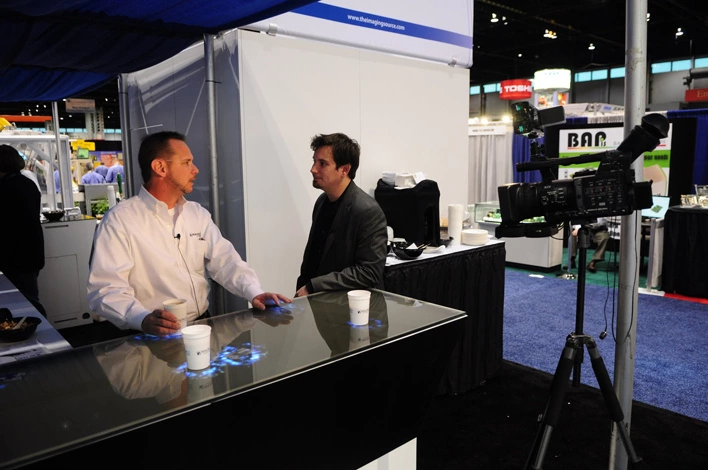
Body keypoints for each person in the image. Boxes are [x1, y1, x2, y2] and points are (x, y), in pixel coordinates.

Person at [87, 131, 290, 336]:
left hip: (201, 326)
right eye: (186, 163)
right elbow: (106, 288)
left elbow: (225, 261)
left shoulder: (196, 213)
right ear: (160, 167)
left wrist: (254, 292)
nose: (195, 170)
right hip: (149, 333)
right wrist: (142, 318)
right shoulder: (120, 220)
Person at [295, 133, 387, 297]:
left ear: (344, 169)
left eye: (322, 164)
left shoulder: (368, 211)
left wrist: (314, 286)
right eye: (314, 161)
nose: (313, 169)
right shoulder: (322, 202)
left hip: (353, 307)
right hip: (320, 302)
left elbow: (369, 272)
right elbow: (313, 257)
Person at [0, 145, 47, 316]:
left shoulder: (6, 187)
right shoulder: (27, 183)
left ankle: (38, 328)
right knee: (30, 298)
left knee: (26, 303)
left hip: (15, 256)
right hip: (30, 253)